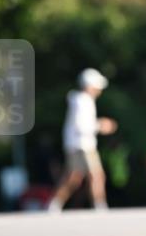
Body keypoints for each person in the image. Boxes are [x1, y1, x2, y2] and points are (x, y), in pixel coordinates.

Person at [47, 69, 118, 212]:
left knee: (74, 178)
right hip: (84, 145)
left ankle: (54, 204)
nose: (99, 90)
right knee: (97, 175)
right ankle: (100, 206)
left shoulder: (80, 100)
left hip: (76, 145)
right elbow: (82, 125)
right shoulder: (83, 101)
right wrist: (101, 125)